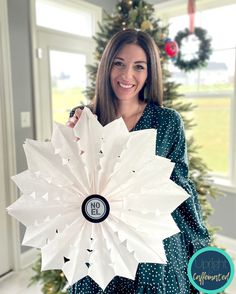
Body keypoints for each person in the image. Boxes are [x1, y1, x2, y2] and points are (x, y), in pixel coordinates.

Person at [66, 29, 210, 294]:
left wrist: (200, 245)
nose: (126, 76)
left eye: (139, 67)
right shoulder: (84, 119)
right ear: (107, 66)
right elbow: (67, 186)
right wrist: (72, 148)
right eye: (118, 63)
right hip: (99, 247)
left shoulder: (167, 122)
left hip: (154, 250)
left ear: (150, 72)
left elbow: (180, 188)